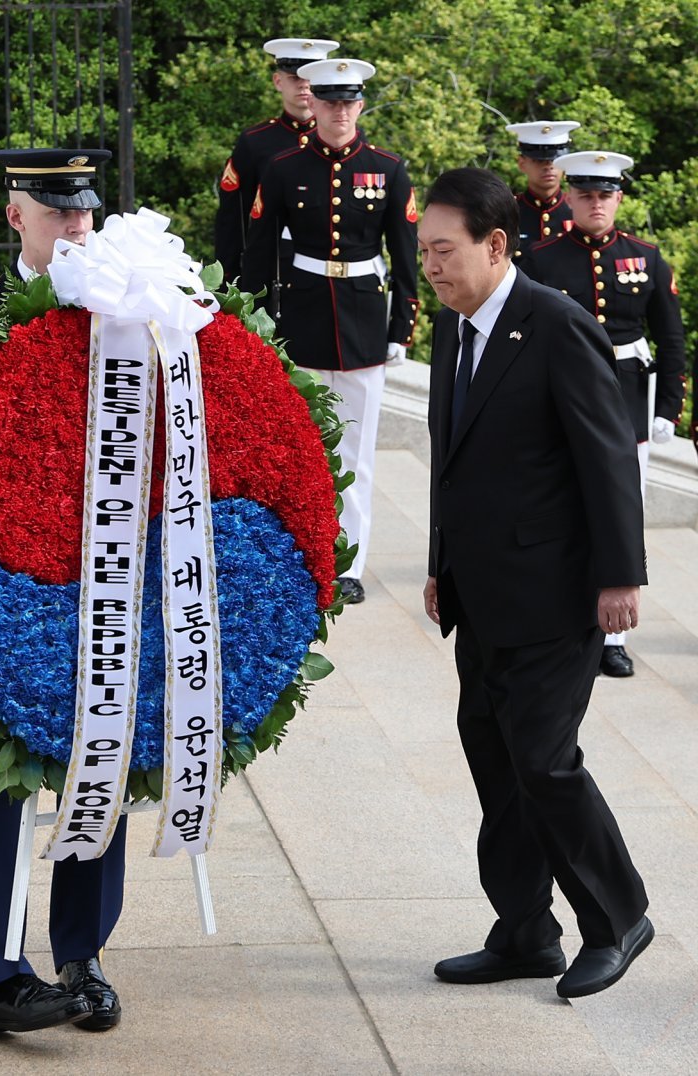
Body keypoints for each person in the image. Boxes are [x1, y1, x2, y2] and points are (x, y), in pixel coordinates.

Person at [420, 167, 653, 999]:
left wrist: (621, 576)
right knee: (495, 758)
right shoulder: (453, 328)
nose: (433, 267)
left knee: (544, 762)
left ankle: (617, 917)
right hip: (481, 591)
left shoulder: (556, 325)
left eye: (445, 251)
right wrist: (440, 564)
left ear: (494, 245)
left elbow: (608, 459)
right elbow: (456, 462)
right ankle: (524, 931)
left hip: (557, 592)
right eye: (423, 253)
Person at [0, 147, 125, 1038]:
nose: (79, 225)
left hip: (106, 577)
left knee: (106, 761)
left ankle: (82, 957)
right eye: (59, 213)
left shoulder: (131, 310)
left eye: (87, 211)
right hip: (11, 590)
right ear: (19, 218)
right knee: (3, 774)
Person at [241, 58, 419, 604]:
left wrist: (402, 324)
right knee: (303, 448)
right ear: (310, 102)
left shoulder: (388, 169)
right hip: (302, 317)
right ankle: (305, 553)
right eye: (329, 101)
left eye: (349, 102)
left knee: (358, 452)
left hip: (364, 320)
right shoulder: (282, 167)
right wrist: (257, 324)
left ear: (360, 106)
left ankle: (351, 563)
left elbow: (406, 254)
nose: (340, 111)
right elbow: (259, 254)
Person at [524, 150, 686, 678]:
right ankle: (563, 617)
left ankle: (612, 636)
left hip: (627, 402)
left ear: (619, 198)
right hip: (559, 401)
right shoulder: (542, 259)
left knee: (623, 512)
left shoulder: (648, 257)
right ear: (569, 197)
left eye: (606, 194)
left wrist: (667, 408)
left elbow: (670, 339)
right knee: (562, 507)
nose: (596, 203)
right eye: (586, 194)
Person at [214, 37, 339, 285]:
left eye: (310, 79)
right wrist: (227, 279)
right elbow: (233, 217)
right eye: (294, 78)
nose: (304, 86)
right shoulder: (256, 141)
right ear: (278, 81)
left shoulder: (341, 138)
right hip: (272, 267)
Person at [504, 120, 580, 266]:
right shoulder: (507, 213)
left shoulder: (578, 211)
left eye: (555, 160)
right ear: (522, 164)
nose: (548, 166)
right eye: (539, 160)